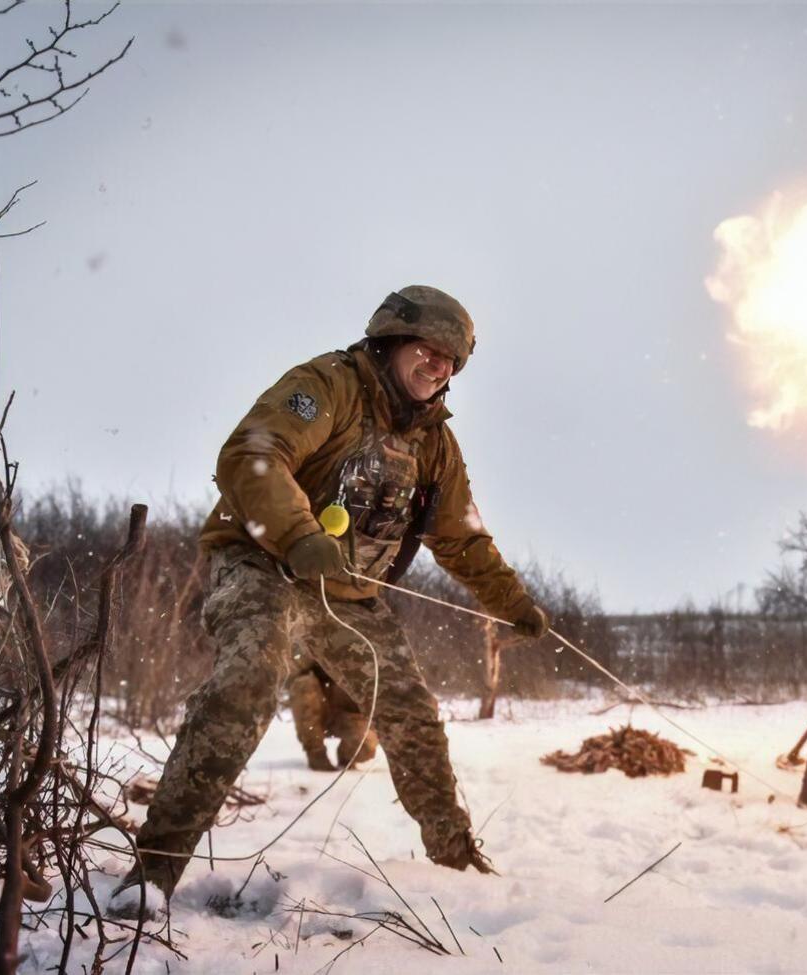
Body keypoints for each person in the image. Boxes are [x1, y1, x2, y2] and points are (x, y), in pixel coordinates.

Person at [115, 285, 548, 905]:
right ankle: (153, 872)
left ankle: (456, 865)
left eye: (451, 361)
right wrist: (298, 535)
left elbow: (462, 538)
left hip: (347, 596)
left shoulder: (435, 445)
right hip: (263, 564)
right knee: (250, 682)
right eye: (428, 350)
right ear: (393, 341)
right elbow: (251, 455)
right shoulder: (328, 385)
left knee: (412, 715)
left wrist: (514, 603)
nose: (439, 367)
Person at [288, 662, 379, 771]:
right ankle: (315, 752)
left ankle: (346, 754)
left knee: (367, 744)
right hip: (319, 700)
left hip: (342, 714)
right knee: (304, 684)